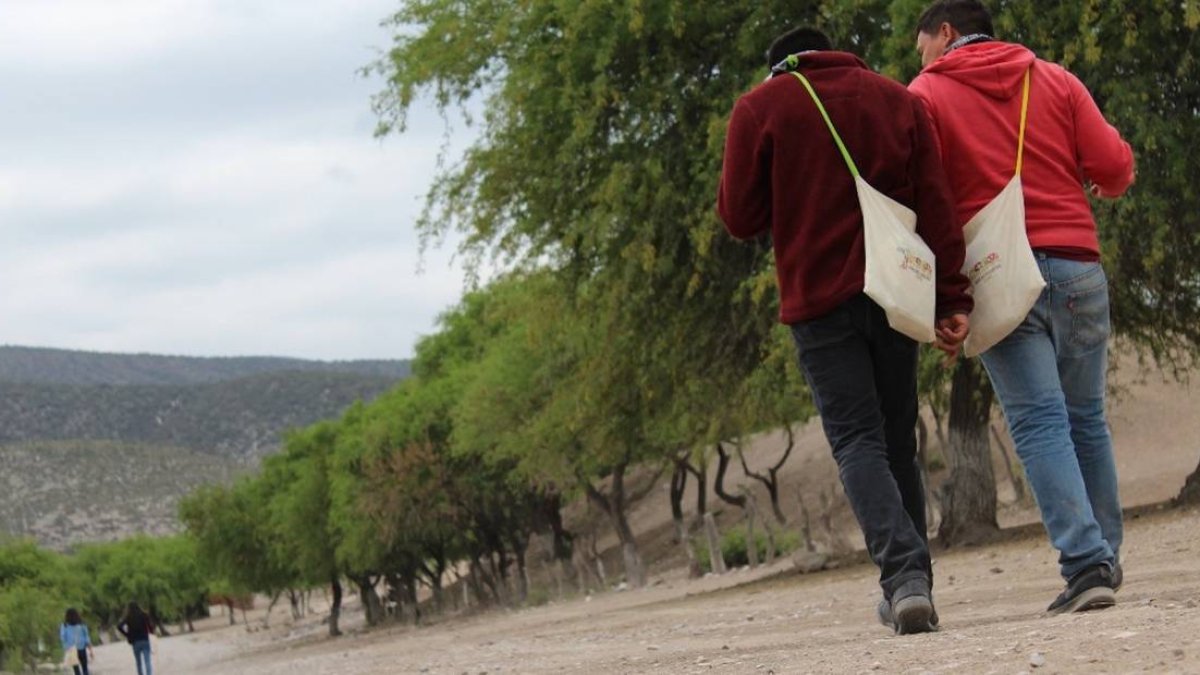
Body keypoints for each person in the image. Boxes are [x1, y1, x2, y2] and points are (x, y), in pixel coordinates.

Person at [717, 26, 972, 634]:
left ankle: (904, 577)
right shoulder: (897, 99)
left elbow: (739, 217)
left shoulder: (759, 108)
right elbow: (937, 203)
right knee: (895, 438)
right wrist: (952, 297)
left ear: (779, 66)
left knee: (857, 440)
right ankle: (916, 585)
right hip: (897, 293)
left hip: (818, 298)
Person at [908, 0, 1135, 614]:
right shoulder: (1054, 77)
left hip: (1001, 278)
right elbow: (1115, 167)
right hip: (1078, 265)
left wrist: (939, 293)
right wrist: (1094, 182)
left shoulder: (926, 96)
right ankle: (1104, 558)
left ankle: (1085, 563)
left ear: (946, 31)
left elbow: (921, 196)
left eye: (921, 44)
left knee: (1039, 421)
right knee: (1086, 417)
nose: (920, 58)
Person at [117, 602, 155, 675]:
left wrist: (127, 634)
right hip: (145, 640)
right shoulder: (144, 615)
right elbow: (150, 626)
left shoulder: (128, 617)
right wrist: (151, 632)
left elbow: (119, 626)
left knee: (138, 662)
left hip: (135, 642)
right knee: (147, 661)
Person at [60, 608, 95, 675]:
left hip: (71, 649)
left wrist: (66, 648)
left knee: (76, 670)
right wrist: (90, 650)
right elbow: (87, 637)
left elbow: (63, 638)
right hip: (82, 648)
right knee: (85, 668)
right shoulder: (82, 624)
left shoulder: (64, 625)